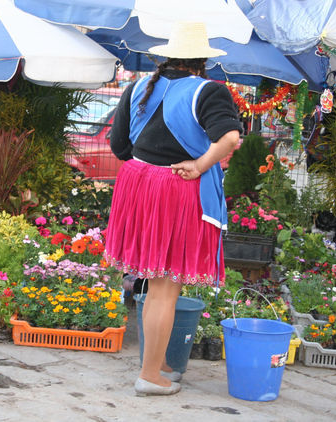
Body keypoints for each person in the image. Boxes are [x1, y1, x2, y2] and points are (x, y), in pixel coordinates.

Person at [104, 21, 242, 396]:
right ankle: (149, 376)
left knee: (155, 280)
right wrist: (198, 165)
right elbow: (230, 138)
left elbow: (120, 147)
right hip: (177, 189)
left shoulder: (138, 88)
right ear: (203, 61)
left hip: (139, 185)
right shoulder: (209, 91)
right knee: (166, 286)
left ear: (168, 56)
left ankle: (158, 363)